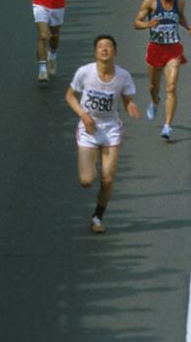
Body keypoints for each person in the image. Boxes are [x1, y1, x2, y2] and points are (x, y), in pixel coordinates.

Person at [65, 35, 141, 233]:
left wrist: (130, 104)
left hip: (110, 128)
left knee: (108, 179)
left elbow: (126, 97)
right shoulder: (85, 72)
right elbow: (70, 96)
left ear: (115, 52)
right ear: (95, 52)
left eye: (108, 46)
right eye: (100, 47)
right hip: (89, 128)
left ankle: (97, 217)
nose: (104, 49)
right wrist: (84, 116)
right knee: (86, 180)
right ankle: (92, 161)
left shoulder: (123, 76)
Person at [134, 0, 191, 140]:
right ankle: (155, 101)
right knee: (154, 86)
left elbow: (180, 16)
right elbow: (136, 22)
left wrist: (188, 26)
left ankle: (167, 126)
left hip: (173, 49)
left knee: (171, 87)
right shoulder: (150, 2)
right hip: (155, 49)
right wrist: (148, 24)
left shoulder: (180, 2)